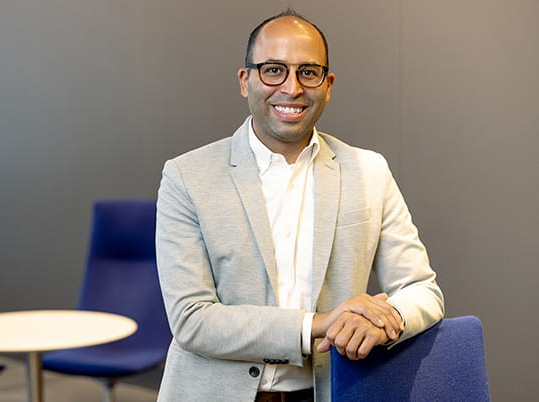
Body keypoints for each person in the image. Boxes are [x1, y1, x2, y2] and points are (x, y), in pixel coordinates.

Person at [155, 9, 444, 402]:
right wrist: (320, 325)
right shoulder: (186, 177)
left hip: (330, 391)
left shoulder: (370, 171)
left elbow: (422, 290)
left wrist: (385, 321)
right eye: (273, 70)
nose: (291, 88)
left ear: (328, 84)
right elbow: (192, 320)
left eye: (308, 72)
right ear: (245, 80)